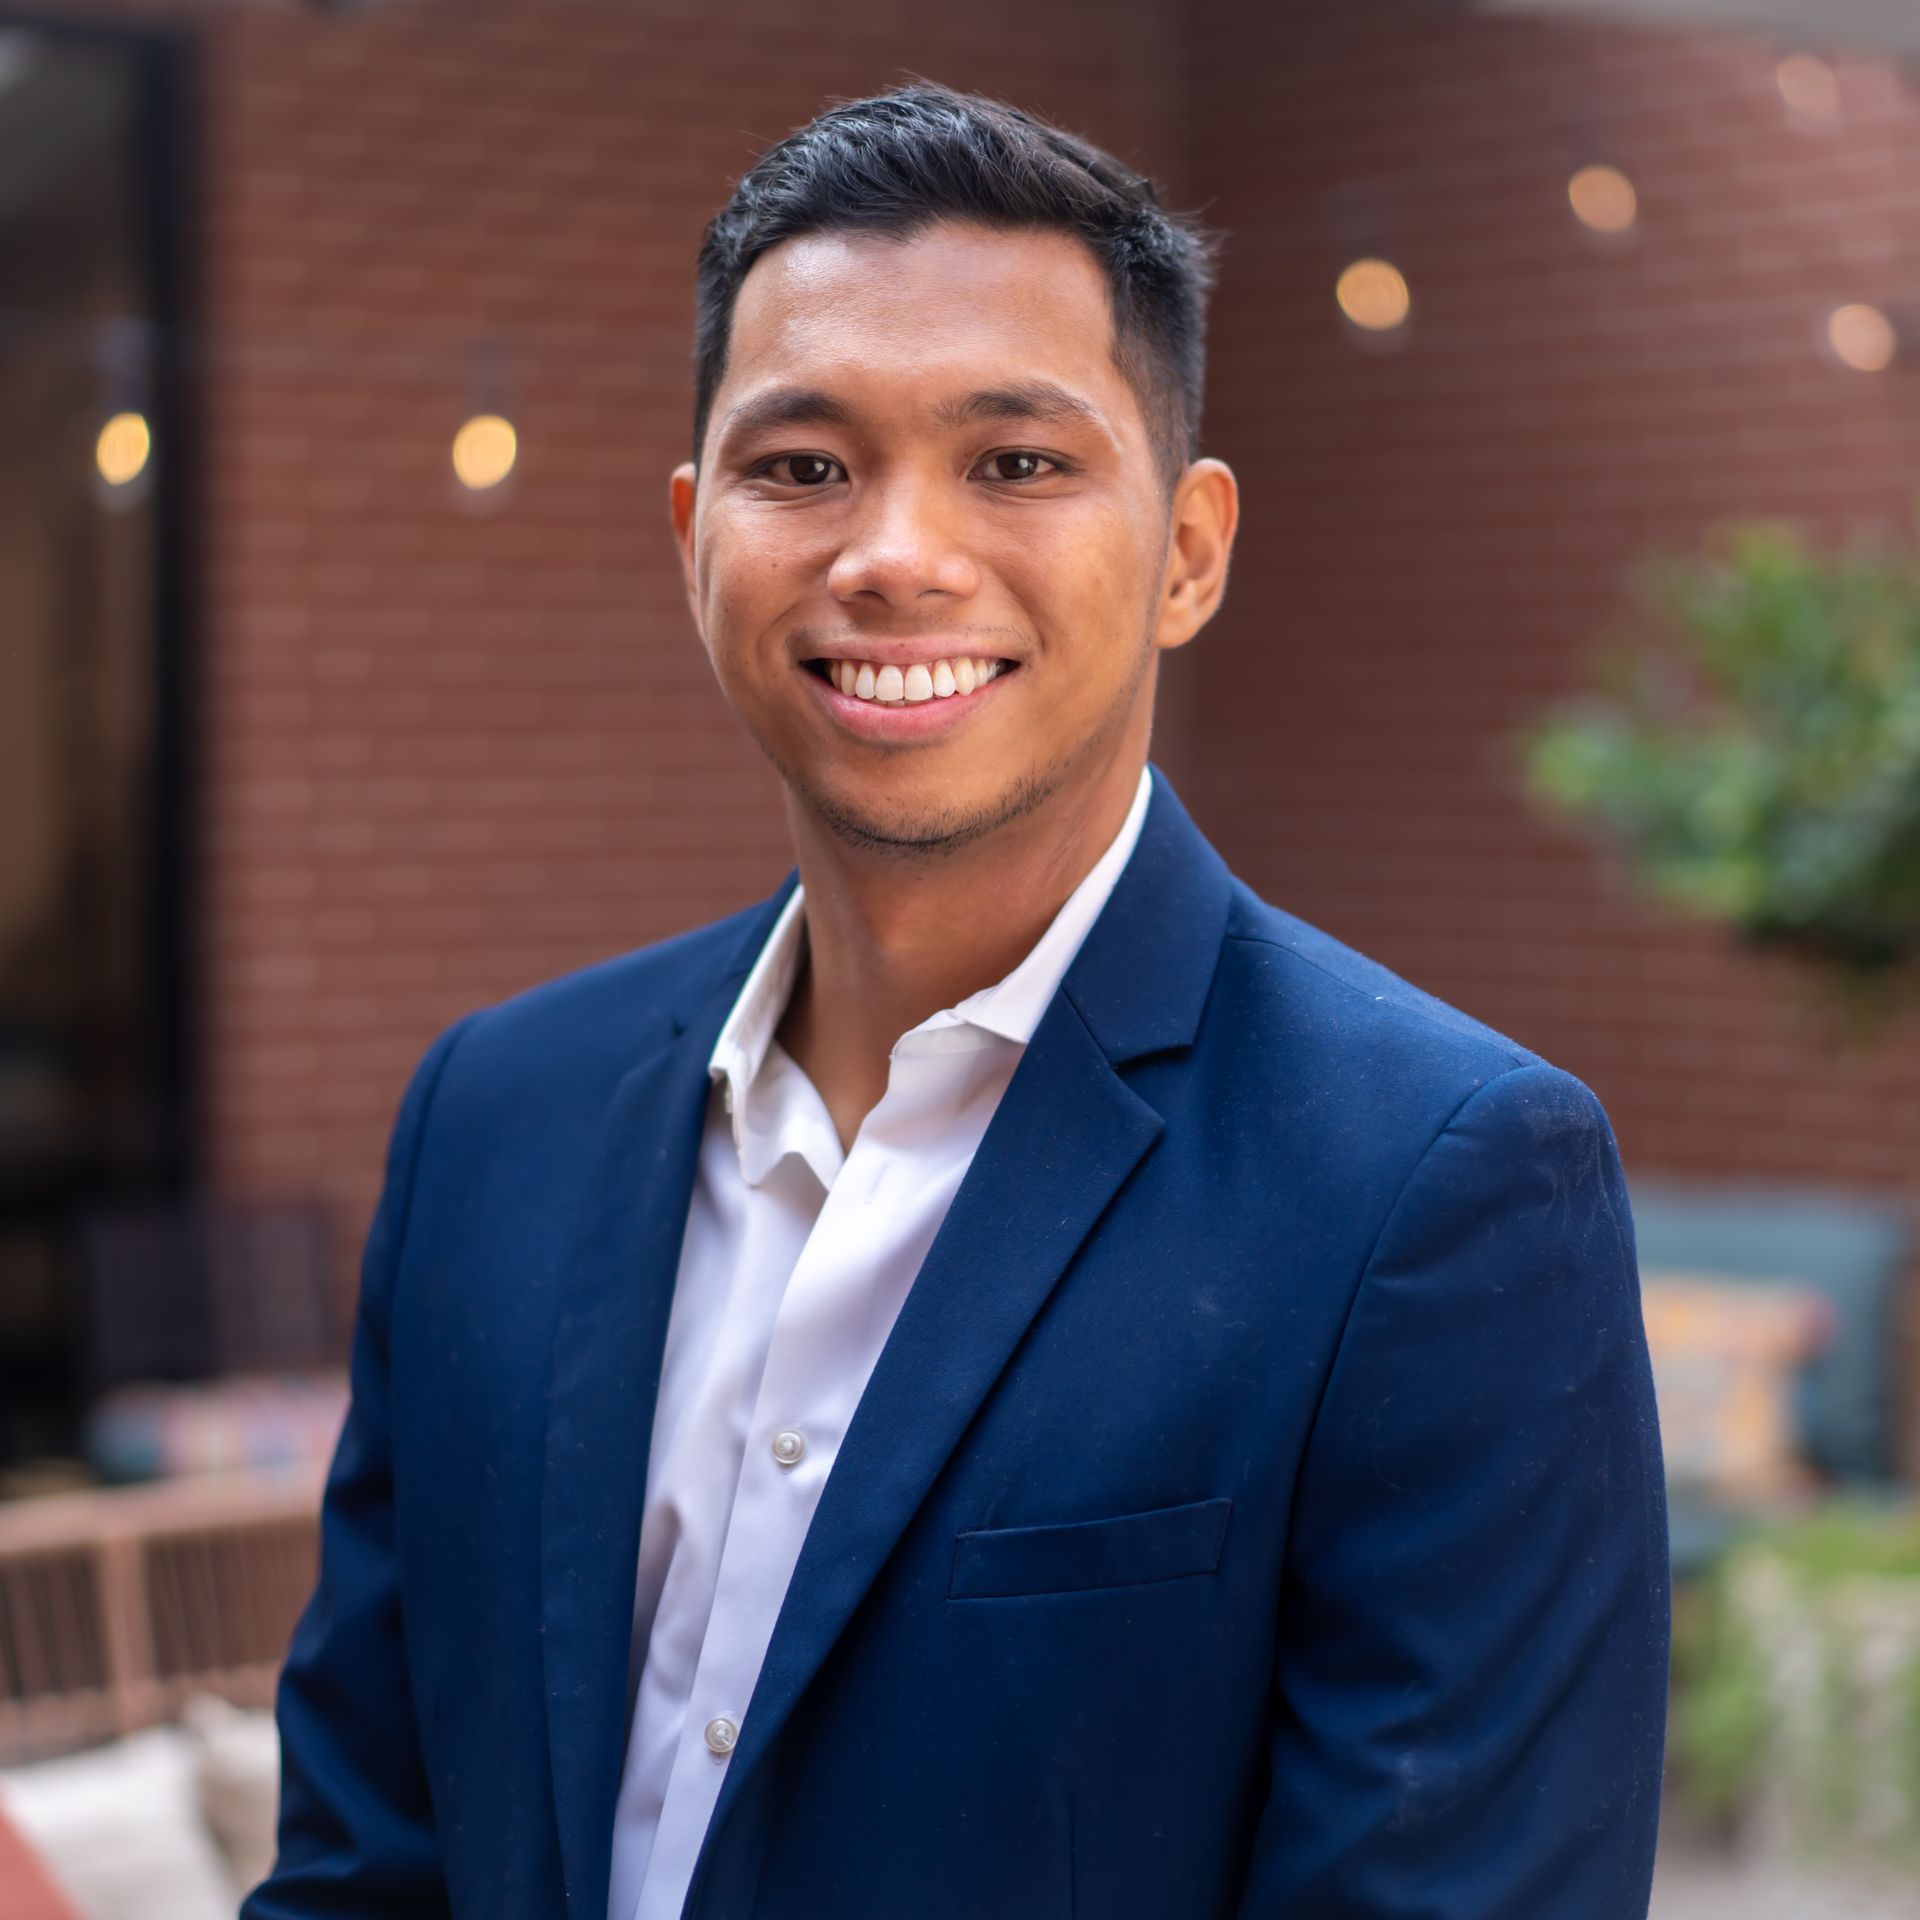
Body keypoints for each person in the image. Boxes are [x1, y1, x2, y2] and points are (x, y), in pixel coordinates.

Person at [243, 81, 1669, 1920]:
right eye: (802, 465)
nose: (891, 555)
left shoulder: (1442, 1184)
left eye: (1015, 463)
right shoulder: (494, 1115)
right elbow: (365, 1860)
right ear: (695, 534)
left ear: (1187, 551)